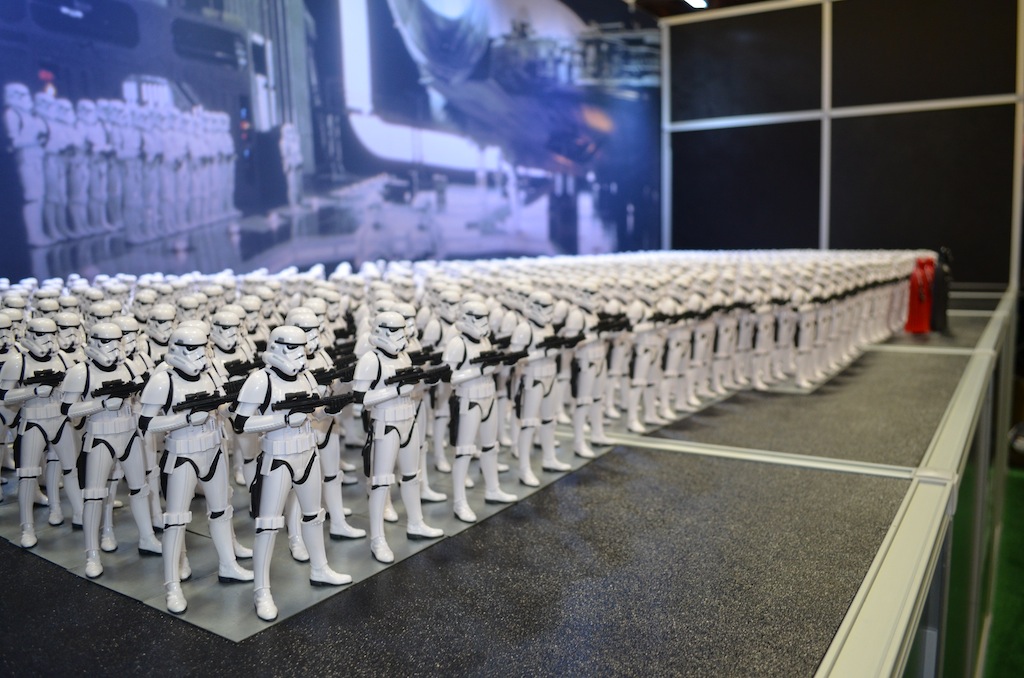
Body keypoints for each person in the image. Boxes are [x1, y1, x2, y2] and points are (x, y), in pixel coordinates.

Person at [233, 326, 350, 622]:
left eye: (302, 348)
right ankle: (261, 591)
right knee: (268, 525)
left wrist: (329, 409)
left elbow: (313, 414)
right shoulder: (260, 380)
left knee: (313, 515)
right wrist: (282, 419)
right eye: (293, 348)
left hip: (308, 453)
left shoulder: (307, 375)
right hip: (277, 457)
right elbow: (241, 423)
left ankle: (320, 568)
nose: (300, 354)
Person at [139, 326, 253, 614]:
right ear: (177, 348)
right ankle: (172, 585)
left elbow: (222, 407)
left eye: (203, 347)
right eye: (194, 348)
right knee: (176, 520)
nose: (200, 354)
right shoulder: (163, 380)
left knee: (221, 510)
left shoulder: (212, 372)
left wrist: (233, 406)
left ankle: (228, 564)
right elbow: (146, 424)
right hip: (181, 454)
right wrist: (184, 419)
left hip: (213, 449)